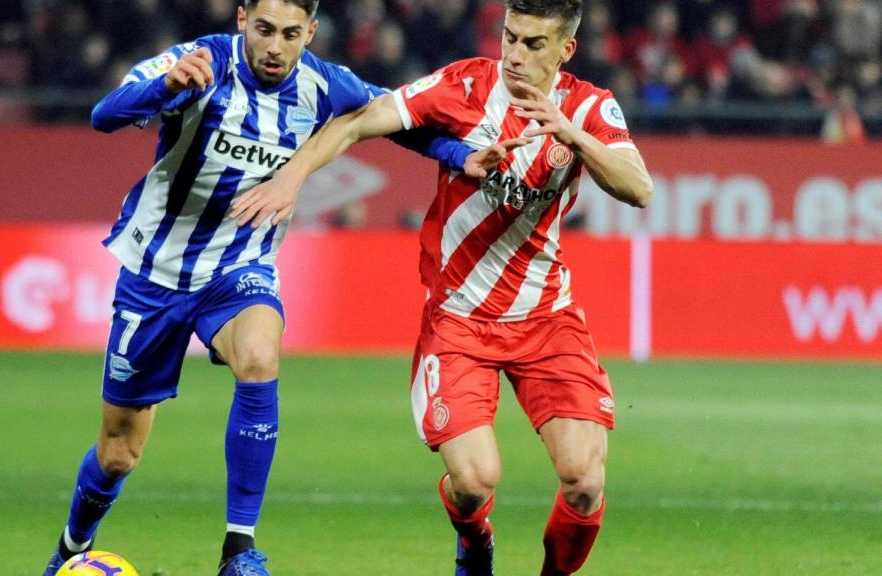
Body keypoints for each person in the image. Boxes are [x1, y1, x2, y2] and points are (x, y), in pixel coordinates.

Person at [39, 2, 493, 575]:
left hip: (239, 267)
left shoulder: (324, 85)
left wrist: (460, 154)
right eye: (264, 30)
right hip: (155, 273)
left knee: (259, 355)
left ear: (311, 33)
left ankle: (239, 549)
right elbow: (104, 116)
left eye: (290, 34)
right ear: (241, 20)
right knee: (119, 453)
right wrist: (162, 88)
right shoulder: (197, 62)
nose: (275, 46)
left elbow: (395, 117)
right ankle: (70, 551)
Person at [230, 1, 654, 574]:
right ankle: (474, 539)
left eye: (533, 44)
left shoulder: (591, 107)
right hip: (458, 320)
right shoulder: (464, 86)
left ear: (565, 50)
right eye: (510, 37)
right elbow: (362, 119)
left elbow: (639, 188)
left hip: (546, 318)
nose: (514, 54)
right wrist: (293, 177)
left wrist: (573, 135)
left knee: (584, 481)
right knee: (475, 483)